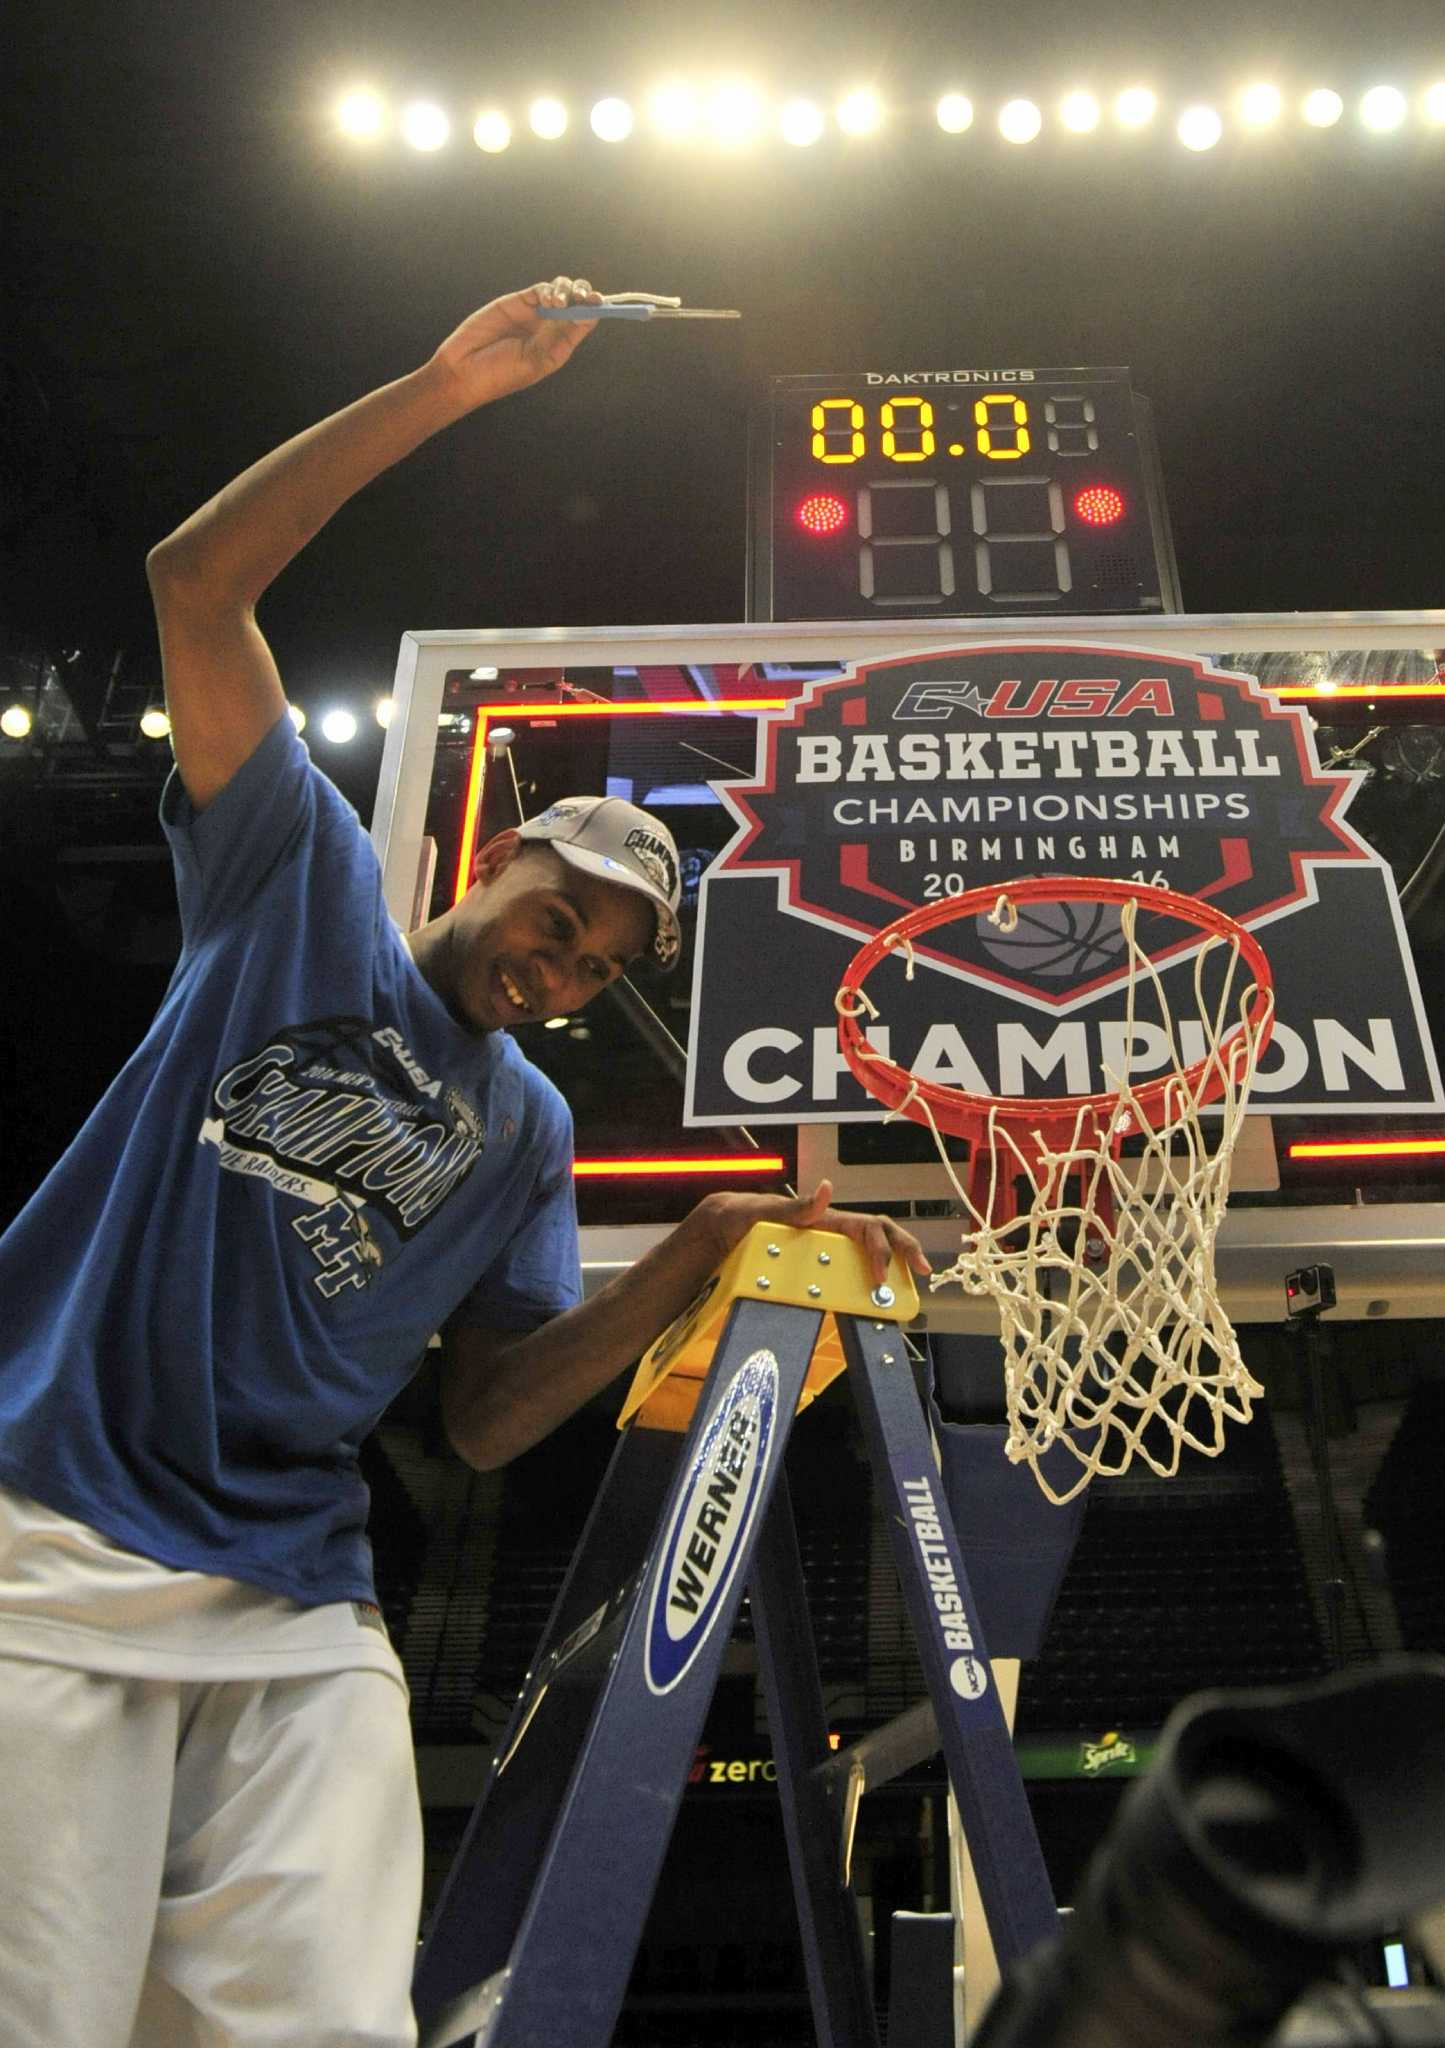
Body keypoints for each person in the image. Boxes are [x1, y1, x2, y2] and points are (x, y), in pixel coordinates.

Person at [0, 274, 929, 2047]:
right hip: (45, 1526)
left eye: (595, 967)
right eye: (557, 918)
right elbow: (195, 581)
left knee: (333, 2019)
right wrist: (439, 390)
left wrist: (692, 1255)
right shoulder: (302, 880)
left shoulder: (531, 1127)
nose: (559, 966)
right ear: (500, 856)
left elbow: (491, 1421)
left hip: (294, 1585)